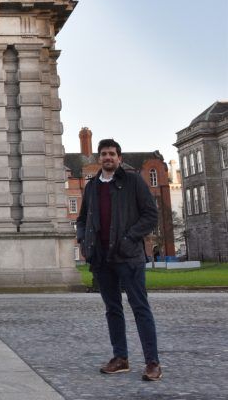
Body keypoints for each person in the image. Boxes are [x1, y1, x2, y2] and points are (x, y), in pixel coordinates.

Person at [76, 138, 162, 381]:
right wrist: (83, 240)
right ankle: (120, 358)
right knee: (112, 309)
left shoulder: (133, 181)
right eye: (104, 154)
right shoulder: (92, 186)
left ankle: (152, 362)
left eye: (112, 154)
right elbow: (82, 219)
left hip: (128, 256)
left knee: (140, 308)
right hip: (102, 259)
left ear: (119, 158)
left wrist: (129, 237)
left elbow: (150, 215)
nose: (108, 157)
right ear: (98, 159)